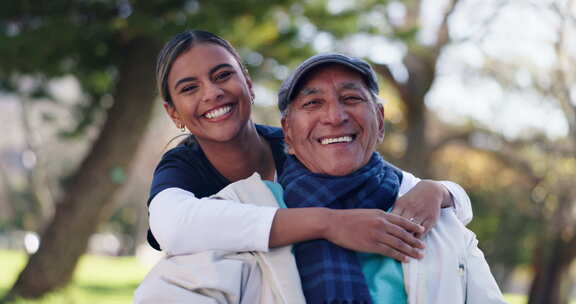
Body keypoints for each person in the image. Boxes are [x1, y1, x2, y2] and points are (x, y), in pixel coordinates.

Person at [146, 30, 474, 263]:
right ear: (173, 112)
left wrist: (438, 191)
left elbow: (389, 182)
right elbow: (171, 227)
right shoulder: (182, 166)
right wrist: (330, 223)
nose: (212, 93)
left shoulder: (299, 141)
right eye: (190, 88)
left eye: (222, 75)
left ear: (247, 82)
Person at [275, 53, 506, 303]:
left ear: (380, 120)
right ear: (287, 131)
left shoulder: (438, 220)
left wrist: (442, 191)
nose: (334, 117)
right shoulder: (253, 209)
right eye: (312, 103)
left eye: (351, 98)